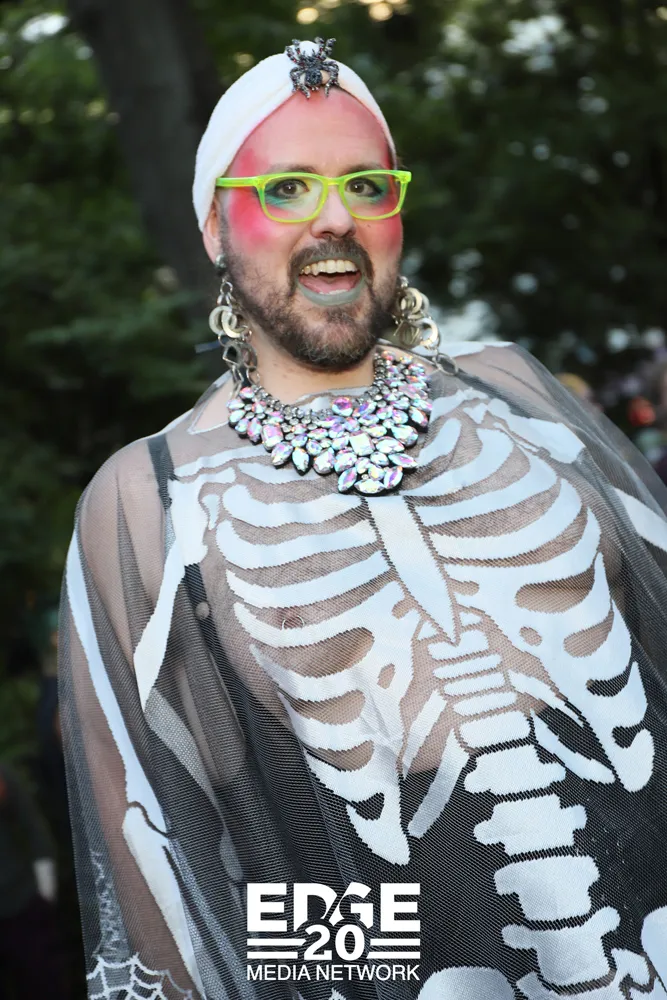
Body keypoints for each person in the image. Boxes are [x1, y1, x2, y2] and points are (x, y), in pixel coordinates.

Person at [59, 38, 667, 1000]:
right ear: (214, 227)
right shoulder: (148, 498)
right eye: (286, 189)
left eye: (366, 186)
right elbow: (175, 875)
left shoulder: (516, 398)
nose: (334, 217)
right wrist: (426, 953)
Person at [0, 762, 67, 999]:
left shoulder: (3, 776)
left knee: (44, 985)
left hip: (22, 906)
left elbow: (35, 830)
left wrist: (45, 895)